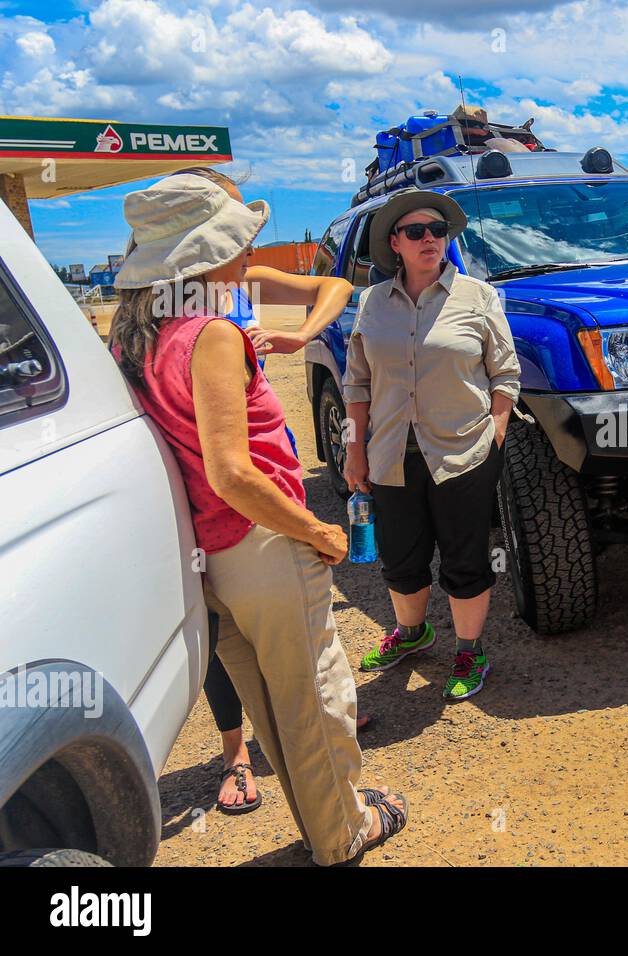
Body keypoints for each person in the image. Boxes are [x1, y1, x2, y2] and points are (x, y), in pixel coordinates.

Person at [109, 172, 408, 864]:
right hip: (262, 543)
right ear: (200, 256)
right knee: (316, 696)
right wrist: (317, 531)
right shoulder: (210, 332)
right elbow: (234, 470)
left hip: (211, 553)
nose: (248, 256)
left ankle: (327, 818)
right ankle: (342, 832)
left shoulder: (136, 337)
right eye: (236, 244)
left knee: (272, 705)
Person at [168, 166, 356, 816]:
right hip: (218, 499)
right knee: (232, 637)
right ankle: (237, 754)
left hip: (269, 475)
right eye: (233, 220)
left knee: (283, 647)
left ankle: (315, 753)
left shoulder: (241, 283)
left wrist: (301, 334)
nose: (244, 239)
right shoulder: (174, 312)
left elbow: (334, 285)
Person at [342, 188, 519, 702]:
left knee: (465, 558)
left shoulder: (478, 297)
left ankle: (469, 649)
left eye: (437, 231)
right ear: (394, 242)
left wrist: (496, 433)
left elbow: (505, 374)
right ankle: (413, 634)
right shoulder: (372, 302)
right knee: (400, 557)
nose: (429, 240)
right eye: (416, 232)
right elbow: (356, 386)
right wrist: (355, 451)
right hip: (391, 455)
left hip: (464, 453)